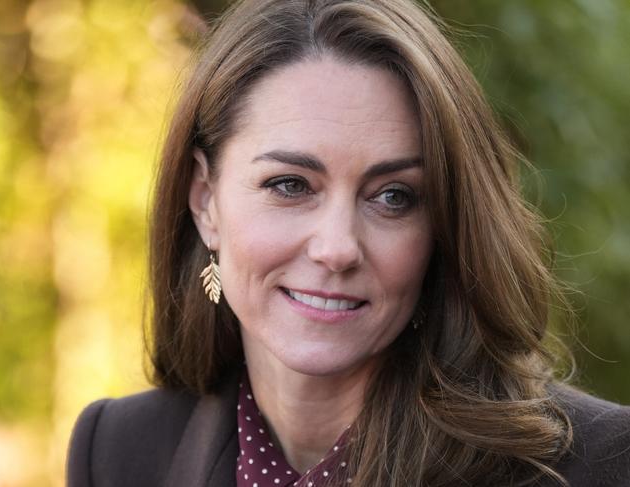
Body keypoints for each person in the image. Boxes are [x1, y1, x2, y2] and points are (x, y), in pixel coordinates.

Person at [65, 0, 630, 486]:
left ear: (444, 224)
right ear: (205, 200)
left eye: (393, 197)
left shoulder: (601, 464)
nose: (337, 249)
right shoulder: (118, 449)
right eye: (290, 186)